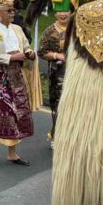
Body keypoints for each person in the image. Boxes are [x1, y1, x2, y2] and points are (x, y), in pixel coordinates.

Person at [0, 0, 34, 166]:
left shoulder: (17, 29)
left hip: (17, 74)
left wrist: (29, 53)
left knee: (18, 112)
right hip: (1, 76)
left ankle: (12, 153)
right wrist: (12, 57)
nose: (13, 14)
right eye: (9, 11)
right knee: (7, 113)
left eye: (14, 11)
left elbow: (26, 46)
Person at [39, 8, 71, 147]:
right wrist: (56, 56)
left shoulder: (77, 29)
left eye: (66, 10)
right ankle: (56, 136)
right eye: (59, 11)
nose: (63, 14)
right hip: (57, 73)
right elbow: (41, 51)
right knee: (58, 105)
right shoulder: (49, 31)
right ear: (55, 12)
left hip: (75, 73)